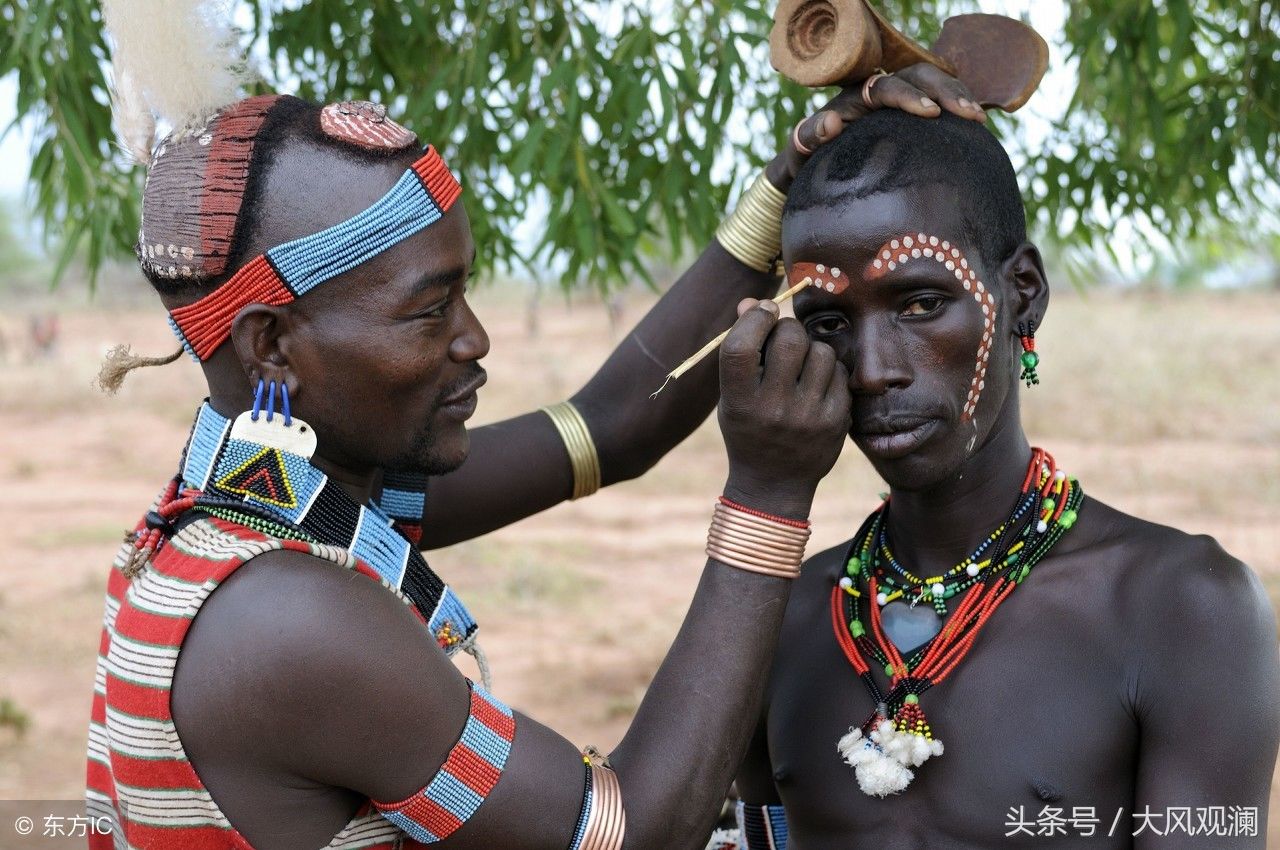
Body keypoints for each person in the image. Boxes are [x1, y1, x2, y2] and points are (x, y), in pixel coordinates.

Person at [86, 18, 990, 848]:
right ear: (272, 344)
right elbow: (635, 832)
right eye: (430, 309)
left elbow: (609, 429)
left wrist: (779, 188)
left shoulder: (281, 506)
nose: (476, 339)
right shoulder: (288, 614)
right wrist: (770, 489)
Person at [728, 106, 1280, 848]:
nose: (873, 369)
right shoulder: (777, 619)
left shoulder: (1183, 608)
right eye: (829, 322)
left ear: (1023, 292)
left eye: (921, 304)